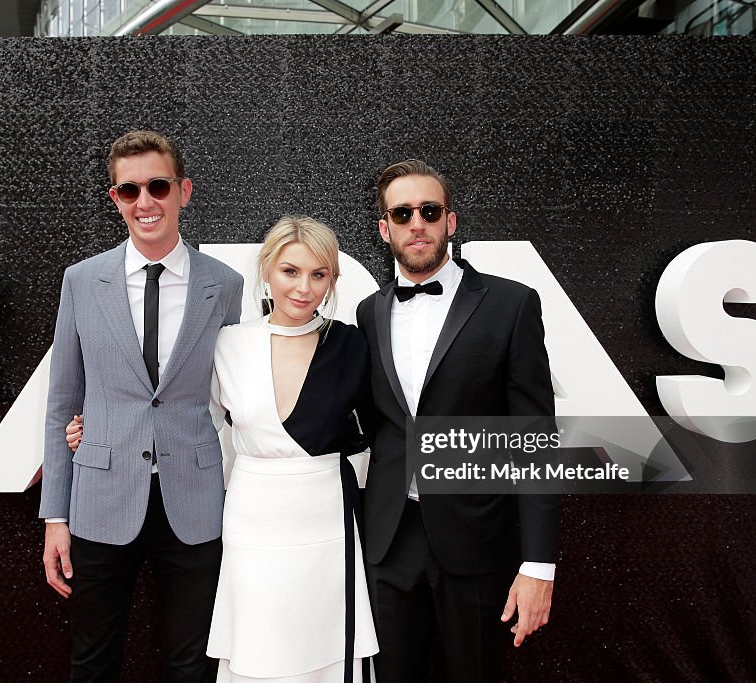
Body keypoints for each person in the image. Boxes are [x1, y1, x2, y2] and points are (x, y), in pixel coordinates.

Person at [68, 216, 379, 683]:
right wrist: (96, 429)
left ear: (333, 279)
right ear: (267, 270)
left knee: (326, 647)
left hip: (327, 515)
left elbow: (379, 429)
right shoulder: (229, 344)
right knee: (256, 645)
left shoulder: (353, 343)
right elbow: (182, 413)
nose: (304, 287)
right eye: (291, 271)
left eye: (319, 275)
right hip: (249, 518)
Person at [39, 130, 243, 683]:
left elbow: (236, 395)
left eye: (157, 186)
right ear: (115, 199)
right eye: (130, 191)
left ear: (184, 191)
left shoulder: (224, 285)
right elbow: (63, 403)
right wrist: (56, 515)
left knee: (193, 662)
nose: (144, 202)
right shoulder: (82, 282)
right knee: (92, 659)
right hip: (101, 497)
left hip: (196, 501)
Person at [355, 160, 559, 683]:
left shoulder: (511, 304)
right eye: (402, 213)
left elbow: (534, 439)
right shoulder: (367, 313)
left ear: (451, 221)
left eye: (429, 210)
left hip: (476, 538)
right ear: (385, 228)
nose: (416, 223)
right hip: (387, 539)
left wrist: (539, 565)